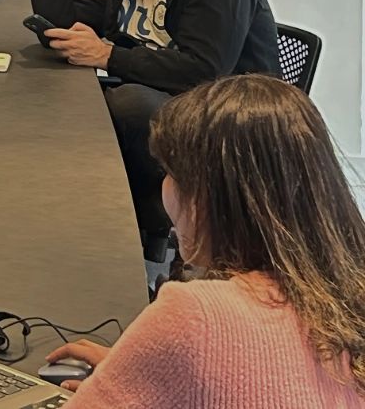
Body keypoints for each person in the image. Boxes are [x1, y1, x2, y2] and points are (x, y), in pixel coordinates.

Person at [44, 74, 365, 407]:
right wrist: (145, 369)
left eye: (170, 173)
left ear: (204, 198)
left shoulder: (194, 317)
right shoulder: (348, 302)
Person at [30, 0, 280, 249]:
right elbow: (58, 30)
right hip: (158, 104)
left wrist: (108, 56)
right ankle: (88, 224)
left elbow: (204, 71)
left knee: (128, 103)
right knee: (74, 98)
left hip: (227, 121)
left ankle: (146, 239)